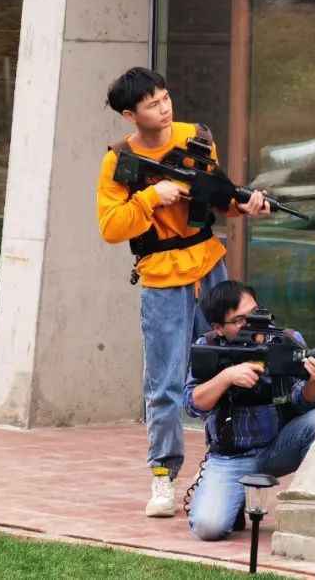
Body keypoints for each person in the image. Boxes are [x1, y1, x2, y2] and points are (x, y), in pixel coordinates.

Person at [97, 67, 270, 518]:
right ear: (130, 115)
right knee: (165, 383)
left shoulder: (197, 137)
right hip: (161, 278)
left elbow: (216, 195)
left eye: (166, 97)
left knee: (233, 364)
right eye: (152, 104)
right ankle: (163, 476)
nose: (164, 107)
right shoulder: (119, 161)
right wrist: (152, 197)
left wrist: (246, 204)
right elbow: (111, 227)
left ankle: (231, 459)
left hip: (209, 266)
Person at [183, 280, 315, 541]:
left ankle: (314, 510)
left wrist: (314, 382)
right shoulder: (209, 345)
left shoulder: (286, 340)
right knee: (208, 527)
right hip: (231, 457)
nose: (250, 323)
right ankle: (236, 499)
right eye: (239, 320)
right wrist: (227, 377)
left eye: (254, 313)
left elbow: (304, 403)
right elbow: (192, 403)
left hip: (278, 448)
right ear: (218, 327)